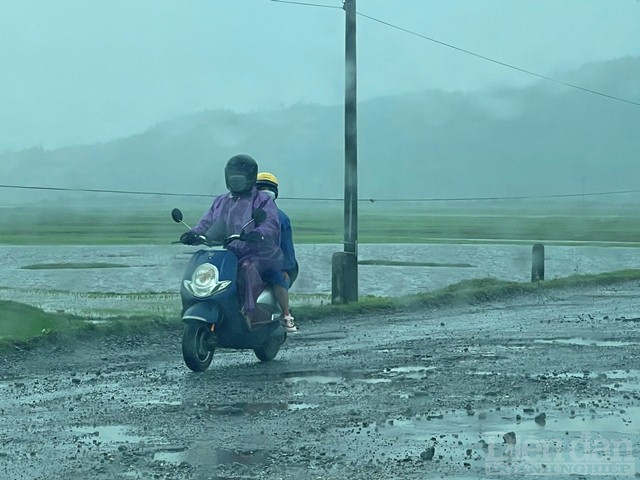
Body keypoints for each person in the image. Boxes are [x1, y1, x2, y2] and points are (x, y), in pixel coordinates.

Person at [180, 154, 283, 330]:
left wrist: (258, 233)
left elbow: (271, 223)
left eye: (240, 175)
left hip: (258, 252)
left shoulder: (262, 200)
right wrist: (194, 233)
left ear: (250, 177)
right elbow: (207, 222)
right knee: (200, 262)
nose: (236, 179)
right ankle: (191, 306)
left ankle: (249, 313)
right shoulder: (221, 201)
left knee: (246, 268)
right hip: (230, 253)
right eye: (233, 175)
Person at [255, 172, 299, 333]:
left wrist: (285, 269)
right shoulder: (244, 214)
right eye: (260, 188)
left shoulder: (281, 218)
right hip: (247, 258)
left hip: (271, 262)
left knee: (276, 278)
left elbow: (287, 247)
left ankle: (286, 315)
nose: (264, 191)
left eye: (268, 188)